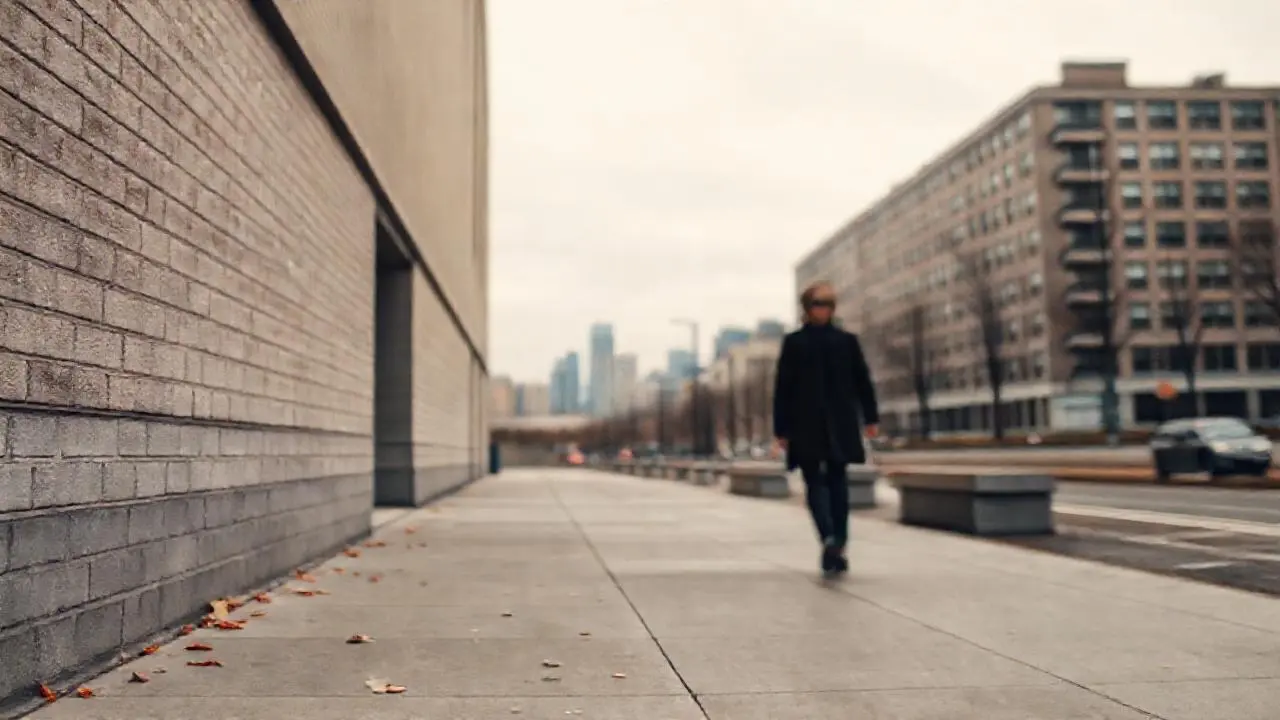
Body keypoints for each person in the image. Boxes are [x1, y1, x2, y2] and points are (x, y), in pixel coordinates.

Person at [772, 282, 879, 576]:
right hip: (804, 423)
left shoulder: (847, 341)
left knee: (837, 482)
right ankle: (829, 538)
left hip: (840, 421)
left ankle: (838, 544)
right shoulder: (794, 343)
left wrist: (870, 418)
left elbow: (862, 381)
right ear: (807, 308)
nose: (823, 309)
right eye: (818, 304)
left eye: (828, 304)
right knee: (814, 481)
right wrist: (781, 429)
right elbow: (783, 388)